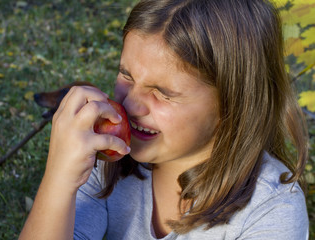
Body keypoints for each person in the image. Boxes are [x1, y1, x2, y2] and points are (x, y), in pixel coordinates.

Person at [19, 0, 309, 239]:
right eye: (126, 75)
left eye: (163, 93)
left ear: (234, 103)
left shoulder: (271, 210)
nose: (130, 104)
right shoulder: (107, 159)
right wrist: (60, 177)